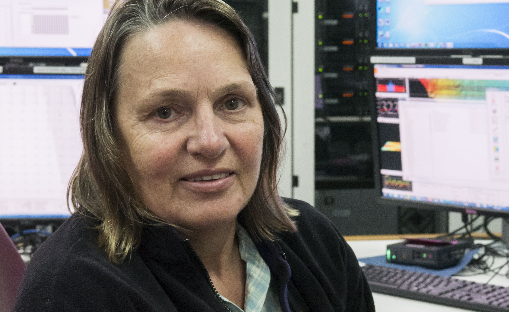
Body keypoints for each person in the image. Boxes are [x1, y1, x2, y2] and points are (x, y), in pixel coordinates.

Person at [13, 0, 374, 311]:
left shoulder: (312, 241)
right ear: (109, 135)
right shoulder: (75, 290)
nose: (210, 141)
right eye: (166, 112)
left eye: (232, 103)